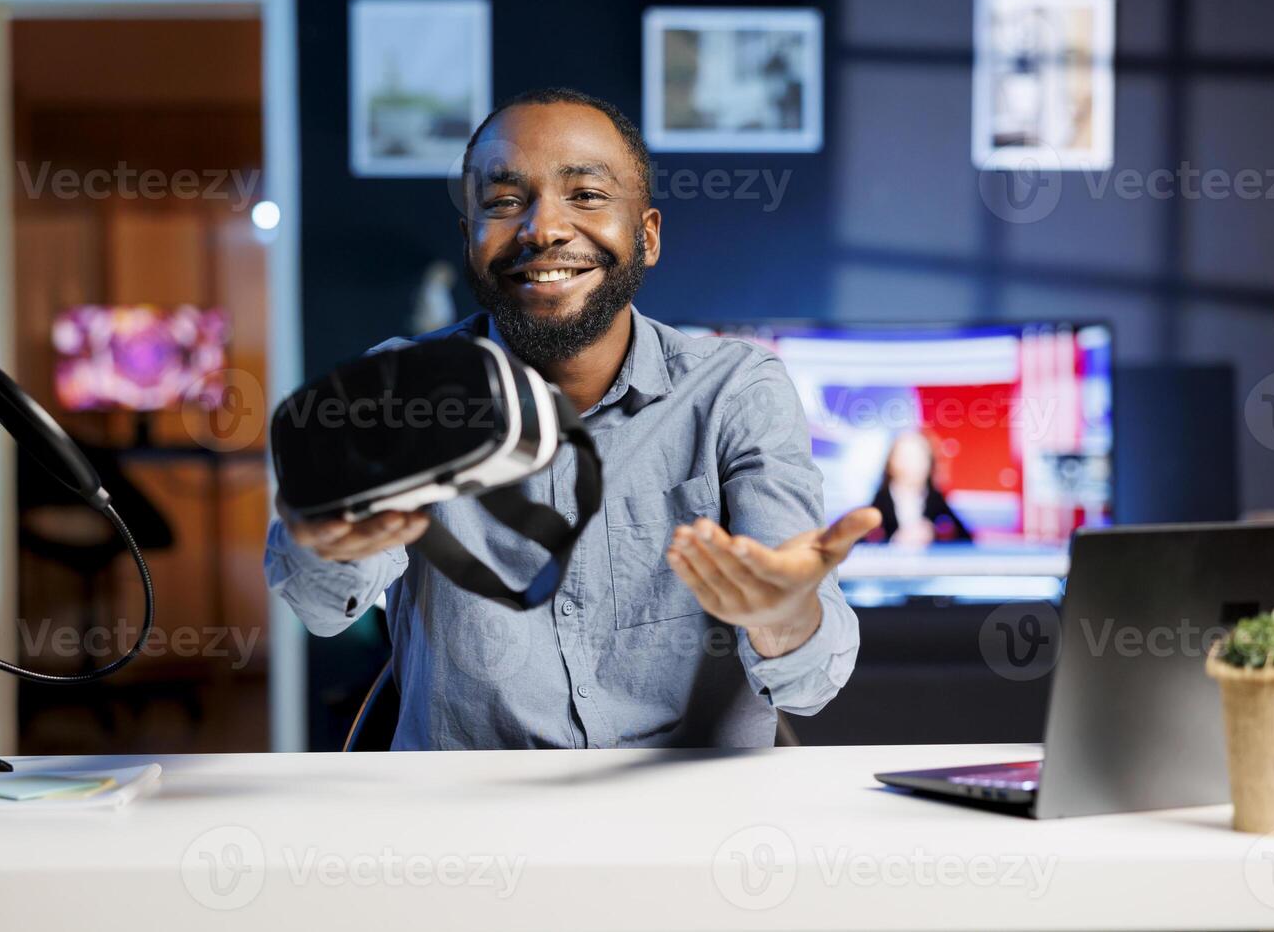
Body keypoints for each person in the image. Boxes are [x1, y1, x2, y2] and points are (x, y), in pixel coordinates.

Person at [265, 88, 880, 749]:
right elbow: (321, 607)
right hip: (469, 830)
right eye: (503, 203)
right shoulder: (403, 388)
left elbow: (809, 684)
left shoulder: (737, 390)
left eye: (585, 195)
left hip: (695, 830)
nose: (543, 229)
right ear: (470, 241)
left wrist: (783, 617)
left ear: (646, 236)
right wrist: (327, 544)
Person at [866, 430, 973, 548]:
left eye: (919, 456)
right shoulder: (878, 505)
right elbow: (860, 546)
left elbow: (965, 540)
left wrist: (935, 534)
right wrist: (895, 542)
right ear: (891, 462)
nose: (914, 464)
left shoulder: (936, 501)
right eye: (906, 456)